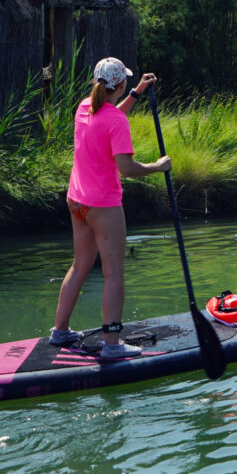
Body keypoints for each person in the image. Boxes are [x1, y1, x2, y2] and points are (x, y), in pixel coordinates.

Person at [49, 57, 171, 360]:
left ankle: (59, 331)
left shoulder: (83, 107)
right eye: (127, 82)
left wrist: (137, 93)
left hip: (76, 201)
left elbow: (109, 117)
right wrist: (157, 166)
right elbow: (127, 168)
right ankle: (112, 344)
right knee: (114, 274)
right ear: (119, 83)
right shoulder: (116, 121)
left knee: (79, 266)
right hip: (102, 206)